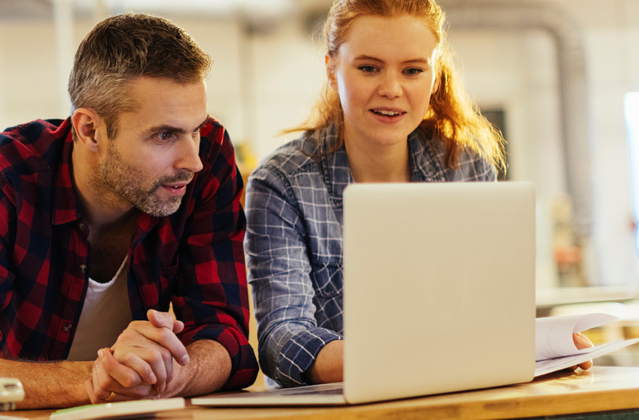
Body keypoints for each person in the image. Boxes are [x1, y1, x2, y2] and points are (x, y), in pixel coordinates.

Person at [0, 13, 257, 408]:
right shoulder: (1, 177)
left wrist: (172, 372)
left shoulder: (206, 158)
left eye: (195, 129)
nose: (192, 160)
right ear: (90, 130)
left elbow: (227, 338)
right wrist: (100, 377)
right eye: (164, 135)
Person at [245, 0, 592, 388]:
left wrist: (541, 345)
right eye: (369, 68)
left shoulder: (466, 167)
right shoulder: (281, 183)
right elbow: (281, 341)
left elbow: (492, 315)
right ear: (331, 68)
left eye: (412, 70)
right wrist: (421, 355)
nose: (392, 89)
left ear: (434, 74)